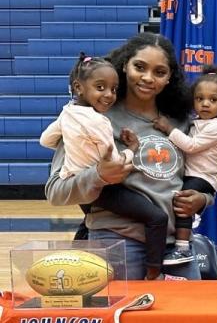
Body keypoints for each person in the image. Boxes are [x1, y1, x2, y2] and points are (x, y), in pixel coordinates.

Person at [44, 33, 212, 281]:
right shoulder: (90, 117)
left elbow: (203, 175)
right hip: (117, 243)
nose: (147, 78)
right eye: (139, 67)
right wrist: (98, 175)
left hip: (176, 248)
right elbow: (55, 191)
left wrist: (202, 198)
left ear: (169, 79)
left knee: (191, 319)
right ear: (124, 66)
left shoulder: (179, 123)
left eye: (159, 72)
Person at [39, 54, 171, 280]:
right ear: (79, 87)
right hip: (104, 187)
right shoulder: (99, 121)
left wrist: (72, 145)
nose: (109, 95)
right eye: (101, 87)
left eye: (113, 89)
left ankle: (79, 250)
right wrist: (134, 149)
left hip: (81, 183)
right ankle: (154, 273)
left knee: (89, 217)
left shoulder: (67, 113)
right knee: (157, 217)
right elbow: (113, 164)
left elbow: (45, 140)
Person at [152, 64, 217, 265]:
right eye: (199, 99)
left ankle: (183, 248)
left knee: (183, 202)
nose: (205, 104)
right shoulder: (197, 121)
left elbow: (191, 145)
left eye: (213, 100)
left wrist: (168, 129)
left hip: (203, 178)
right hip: (192, 173)